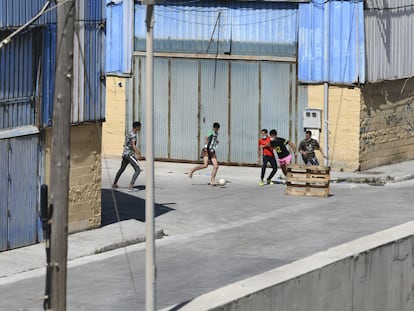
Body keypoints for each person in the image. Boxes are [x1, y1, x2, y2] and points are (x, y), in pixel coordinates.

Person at [112, 121, 143, 191]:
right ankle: (130, 186)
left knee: (121, 169)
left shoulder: (129, 133)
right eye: (139, 127)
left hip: (125, 154)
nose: (140, 128)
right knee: (137, 170)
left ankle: (114, 183)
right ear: (137, 127)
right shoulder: (133, 135)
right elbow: (133, 145)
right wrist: (138, 154)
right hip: (129, 155)